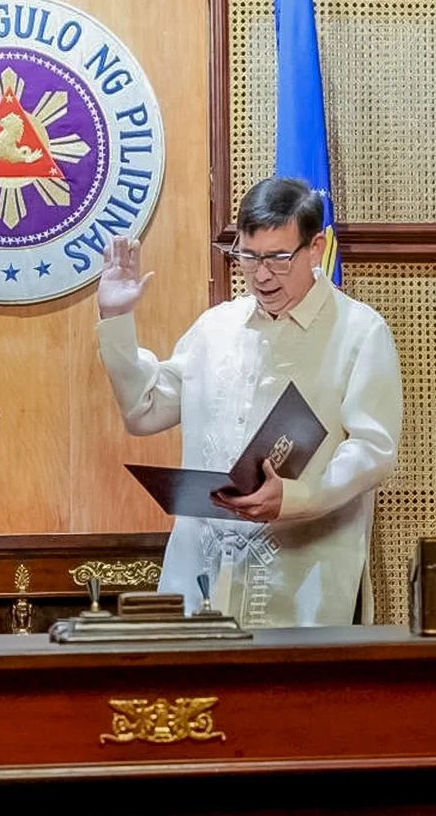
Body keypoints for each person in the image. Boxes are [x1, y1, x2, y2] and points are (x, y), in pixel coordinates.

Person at [96, 177, 402, 626]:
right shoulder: (216, 328)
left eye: (278, 258)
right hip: (202, 575)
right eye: (248, 256)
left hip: (302, 581)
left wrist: (295, 496)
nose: (260, 275)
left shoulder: (360, 332)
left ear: (315, 248)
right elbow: (145, 409)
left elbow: (373, 450)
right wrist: (117, 318)